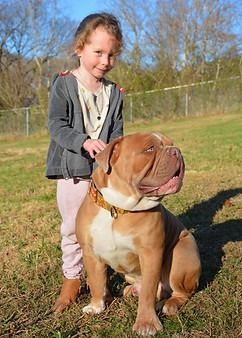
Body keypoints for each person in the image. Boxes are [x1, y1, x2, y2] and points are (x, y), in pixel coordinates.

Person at [46, 12, 124, 314]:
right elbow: (56, 125)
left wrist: (114, 153)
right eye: (98, 52)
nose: (105, 61)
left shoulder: (115, 93)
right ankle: (72, 279)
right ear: (80, 48)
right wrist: (83, 141)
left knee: (107, 224)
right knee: (73, 228)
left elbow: (117, 131)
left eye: (112, 55)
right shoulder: (64, 85)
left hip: (104, 174)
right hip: (73, 173)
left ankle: (102, 276)